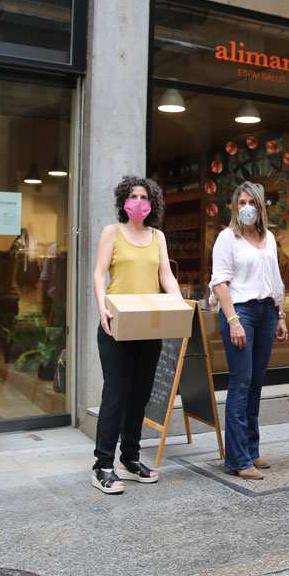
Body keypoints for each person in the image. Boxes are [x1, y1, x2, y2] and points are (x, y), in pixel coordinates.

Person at [91, 176, 181, 495]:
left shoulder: (158, 237)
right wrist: (102, 307)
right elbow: (99, 273)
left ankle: (130, 458)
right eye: (133, 196)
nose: (139, 201)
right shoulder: (112, 232)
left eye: (144, 197)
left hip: (148, 326)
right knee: (115, 395)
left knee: (140, 395)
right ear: (124, 201)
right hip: (116, 324)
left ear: (152, 203)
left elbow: (165, 275)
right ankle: (102, 465)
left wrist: (178, 302)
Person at [209, 181, 289, 480]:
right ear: (235, 207)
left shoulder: (268, 238)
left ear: (260, 206)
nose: (246, 208)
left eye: (251, 202)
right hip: (240, 311)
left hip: (266, 311)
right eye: (241, 203)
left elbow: (275, 280)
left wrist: (280, 315)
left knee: (255, 384)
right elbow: (220, 282)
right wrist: (233, 321)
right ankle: (237, 459)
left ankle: (251, 449)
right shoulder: (227, 238)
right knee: (241, 383)